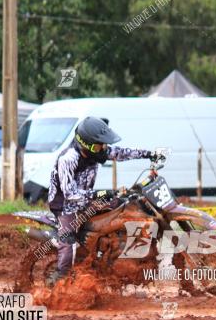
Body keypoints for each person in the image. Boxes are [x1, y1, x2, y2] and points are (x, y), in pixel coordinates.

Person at [48, 116, 158, 281]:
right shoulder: (68, 159)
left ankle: (115, 252)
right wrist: (101, 193)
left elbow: (121, 153)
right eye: (101, 145)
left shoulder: (95, 152)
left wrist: (149, 154)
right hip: (65, 205)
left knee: (126, 203)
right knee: (69, 241)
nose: (104, 148)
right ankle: (58, 280)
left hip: (88, 199)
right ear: (87, 144)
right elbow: (70, 194)